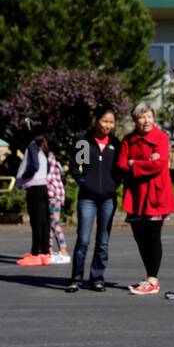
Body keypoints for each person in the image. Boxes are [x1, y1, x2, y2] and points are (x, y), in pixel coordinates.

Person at [115, 103, 174, 294]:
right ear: (135, 120)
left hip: (155, 194)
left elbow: (160, 164)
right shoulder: (128, 140)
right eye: (142, 117)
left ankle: (152, 279)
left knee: (152, 236)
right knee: (139, 237)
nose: (146, 121)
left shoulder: (161, 137)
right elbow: (121, 165)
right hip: (135, 195)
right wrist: (145, 163)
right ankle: (149, 276)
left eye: (149, 116)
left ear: (154, 117)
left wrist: (135, 164)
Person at [67, 105, 122, 293]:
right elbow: (76, 167)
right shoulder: (84, 142)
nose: (108, 125)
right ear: (96, 120)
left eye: (111, 122)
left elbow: (119, 168)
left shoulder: (115, 143)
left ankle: (97, 278)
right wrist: (84, 182)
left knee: (103, 241)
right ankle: (76, 279)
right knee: (83, 239)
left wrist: (114, 184)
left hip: (108, 198)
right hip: (87, 199)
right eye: (105, 121)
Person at [15, 135, 52, 266]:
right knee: (44, 221)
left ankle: (35, 254)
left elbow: (34, 166)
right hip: (43, 186)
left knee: (36, 222)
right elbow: (47, 167)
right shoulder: (44, 146)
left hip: (33, 187)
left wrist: (24, 176)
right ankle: (45, 253)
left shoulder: (32, 145)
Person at [46, 150, 70, 264]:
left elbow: (48, 180)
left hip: (52, 196)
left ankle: (63, 250)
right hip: (57, 197)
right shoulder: (55, 162)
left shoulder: (48, 162)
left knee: (54, 224)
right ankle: (49, 250)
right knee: (51, 224)